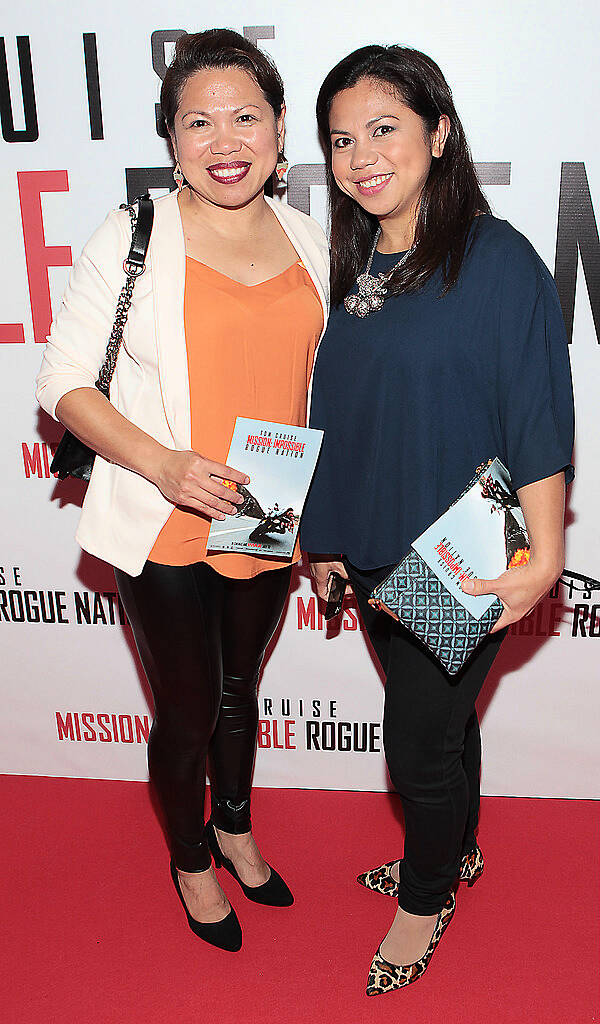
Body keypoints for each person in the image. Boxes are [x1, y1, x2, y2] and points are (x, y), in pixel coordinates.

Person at [36, 29, 329, 952]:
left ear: (281, 133)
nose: (225, 138)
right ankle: (191, 858)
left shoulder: (310, 236)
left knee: (242, 687)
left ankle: (237, 829)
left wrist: (323, 524)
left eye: (246, 116)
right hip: (162, 512)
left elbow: (323, 387)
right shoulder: (132, 235)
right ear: (171, 139)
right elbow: (63, 384)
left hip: (267, 504)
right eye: (198, 121)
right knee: (191, 705)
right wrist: (164, 465)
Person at [301, 44, 574, 994]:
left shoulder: (495, 260)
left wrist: (546, 554)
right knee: (447, 727)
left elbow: (537, 409)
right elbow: (340, 413)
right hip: (373, 544)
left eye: (384, 129)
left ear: (439, 133)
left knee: (417, 746)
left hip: (463, 550)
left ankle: (423, 903)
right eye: (341, 140)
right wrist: (325, 539)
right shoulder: (350, 260)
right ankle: (455, 852)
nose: (360, 156)